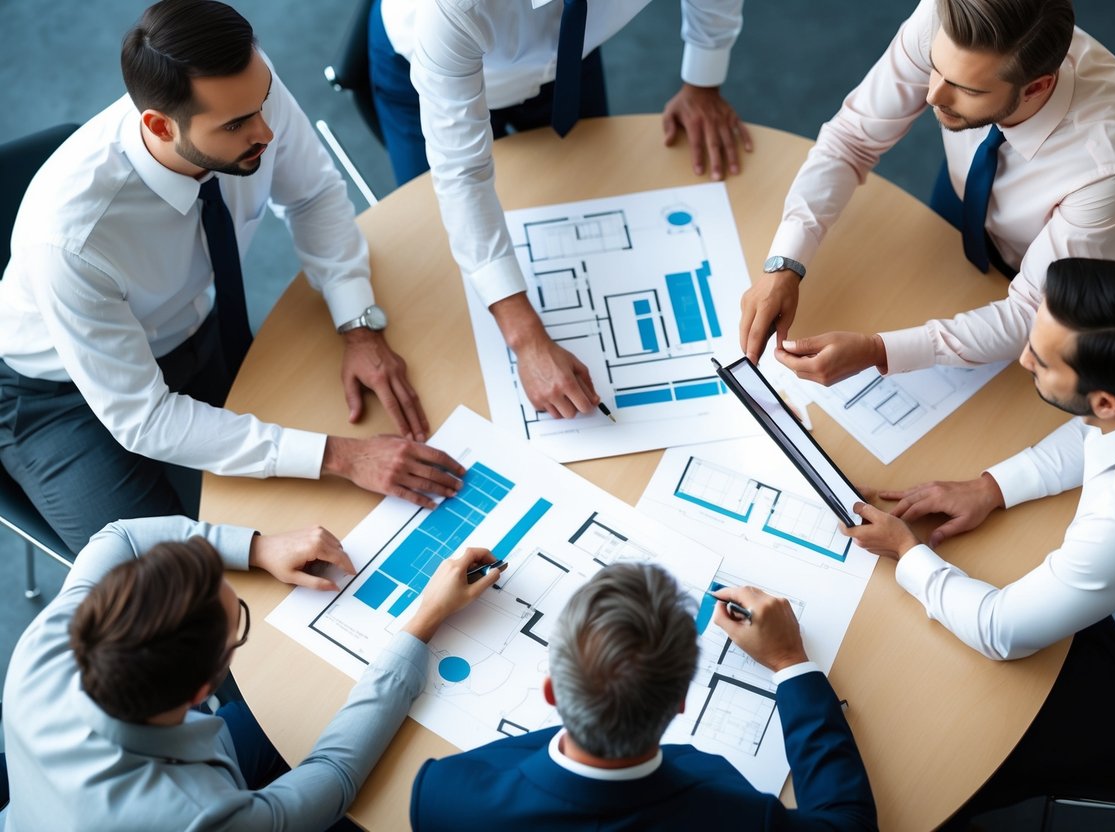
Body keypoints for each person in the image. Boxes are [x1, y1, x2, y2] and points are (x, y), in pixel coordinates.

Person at [0, 0, 463, 555]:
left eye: (262, 103)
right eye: (238, 124)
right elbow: (144, 418)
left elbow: (313, 193)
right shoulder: (71, 241)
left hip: (192, 330)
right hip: (58, 399)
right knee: (164, 581)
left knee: (344, 493)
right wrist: (339, 458)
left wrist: (358, 326)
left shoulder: (245, 90)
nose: (267, 131)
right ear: (158, 125)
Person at [842, 258, 1115, 814]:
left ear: (1105, 399)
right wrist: (993, 486)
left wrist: (906, 552)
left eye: (1039, 363)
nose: (1022, 359)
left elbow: (1001, 630)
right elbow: (1109, 425)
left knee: (946, 761)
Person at [739, 0, 1115, 388]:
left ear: (1036, 87)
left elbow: (1032, 309)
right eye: (935, 67)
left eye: (967, 89)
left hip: (1094, 284)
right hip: (975, 202)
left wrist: (879, 351)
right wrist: (785, 264)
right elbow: (851, 140)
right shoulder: (943, 18)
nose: (933, 94)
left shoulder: (1113, 163)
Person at [0, 514, 506, 831]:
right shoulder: (199, 816)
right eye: (236, 623)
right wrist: (422, 623)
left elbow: (122, 537)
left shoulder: (49, 642)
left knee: (288, 708)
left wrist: (256, 548)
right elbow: (332, 777)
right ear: (204, 690)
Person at [370, 0, 750, 421]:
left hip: (570, 51)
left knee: (587, 201)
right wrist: (527, 340)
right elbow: (462, 175)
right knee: (439, 260)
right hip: (428, 63)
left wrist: (703, 78)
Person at [411, 563, 878, 830]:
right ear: (679, 701)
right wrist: (788, 659)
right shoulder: (731, 808)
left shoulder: (442, 795)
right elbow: (848, 824)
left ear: (552, 690)